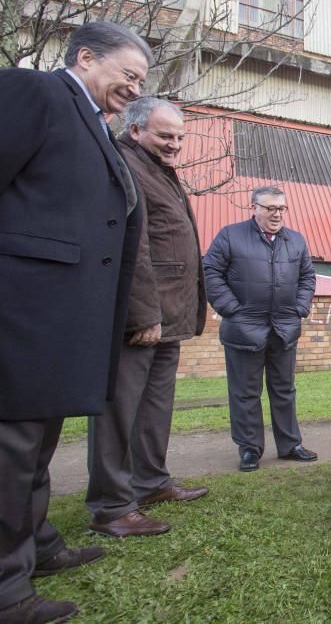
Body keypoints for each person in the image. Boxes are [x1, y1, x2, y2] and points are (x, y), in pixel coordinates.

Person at [0, 21, 150, 623]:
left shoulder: (95, 124)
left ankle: (37, 546)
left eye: (142, 80)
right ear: (85, 56)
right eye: (128, 75)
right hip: (24, 310)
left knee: (36, 447)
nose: (135, 88)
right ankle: (7, 590)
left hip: (62, 317)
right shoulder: (35, 93)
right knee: (11, 449)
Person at [86, 98, 209, 539]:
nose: (174, 144)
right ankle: (112, 506)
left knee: (155, 407)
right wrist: (144, 315)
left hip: (168, 315)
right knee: (120, 411)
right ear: (135, 130)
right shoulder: (126, 165)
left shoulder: (158, 169)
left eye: (179, 136)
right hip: (142, 316)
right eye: (165, 135)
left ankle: (151, 483)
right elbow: (131, 248)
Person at [203, 185, 318, 472]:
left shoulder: (296, 241)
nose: (277, 214)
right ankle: (250, 449)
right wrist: (231, 309)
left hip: (283, 330)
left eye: (281, 208)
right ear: (254, 207)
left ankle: (290, 445)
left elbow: (307, 276)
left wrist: (300, 308)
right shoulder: (230, 236)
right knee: (245, 392)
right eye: (270, 208)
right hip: (244, 331)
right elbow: (210, 272)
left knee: (284, 390)